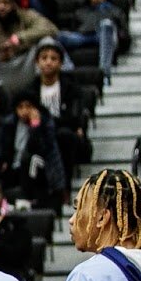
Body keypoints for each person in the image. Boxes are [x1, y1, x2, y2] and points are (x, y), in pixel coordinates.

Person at [21, 36, 92, 178]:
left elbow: (73, 118)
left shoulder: (71, 87)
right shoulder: (30, 89)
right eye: (44, 58)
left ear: (60, 63)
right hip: (39, 134)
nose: (48, 62)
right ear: (37, 62)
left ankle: (64, 187)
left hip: (64, 136)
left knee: (63, 135)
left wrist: (46, 120)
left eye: (53, 59)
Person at [0, 93, 65, 209]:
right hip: (15, 169)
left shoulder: (45, 123)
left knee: (29, 159)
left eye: (28, 106)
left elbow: (40, 149)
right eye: (20, 107)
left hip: (39, 171)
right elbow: (3, 150)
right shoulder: (9, 124)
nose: (24, 111)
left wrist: (35, 126)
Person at [58, 0, 125, 81]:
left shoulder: (115, 11)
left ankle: (104, 72)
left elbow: (122, 32)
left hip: (105, 36)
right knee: (56, 36)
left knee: (106, 25)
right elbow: (74, 28)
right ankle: (67, 68)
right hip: (84, 36)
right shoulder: (80, 11)